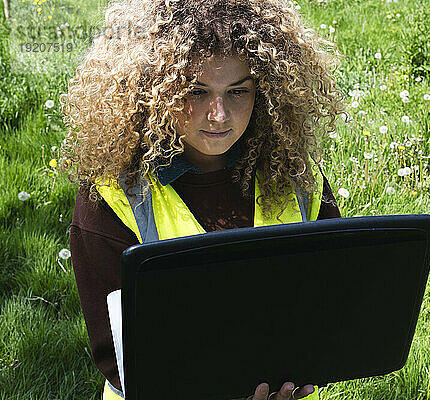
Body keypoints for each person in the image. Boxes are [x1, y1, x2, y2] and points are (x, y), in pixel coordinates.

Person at [59, 0, 346, 399]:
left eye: (238, 91)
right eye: (195, 91)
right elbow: (117, 358)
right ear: (150, 89)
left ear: (265, 89)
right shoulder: (109, 195)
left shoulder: (294, 174)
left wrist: (310, 370)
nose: (219, 115)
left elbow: (336, 301)